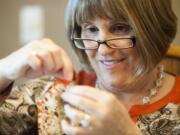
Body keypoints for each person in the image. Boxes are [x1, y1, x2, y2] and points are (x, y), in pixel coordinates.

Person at [0, 0, 179, 134]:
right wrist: (4, 69)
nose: (103, 49)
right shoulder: (52, 95)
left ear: (154, 31)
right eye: (91, 30)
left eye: (119, 28)